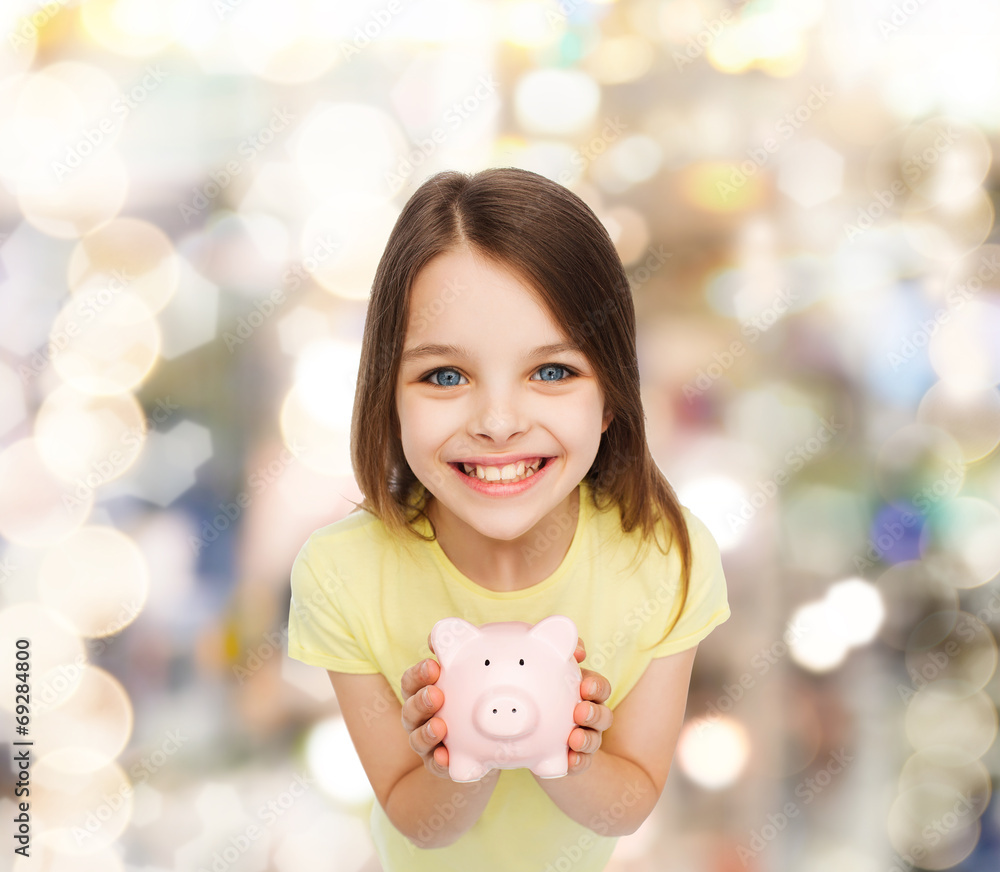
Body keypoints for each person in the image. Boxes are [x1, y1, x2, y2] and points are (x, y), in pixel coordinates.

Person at [287, 167, 731, 871]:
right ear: (388, 397)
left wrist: (563, 749)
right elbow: (418, 824)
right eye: (445, 376)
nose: (498, 423)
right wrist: (456, 752)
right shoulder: (342, 572)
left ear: (611, 395)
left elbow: (632, 800)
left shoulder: (664, 559)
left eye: (552, 372)